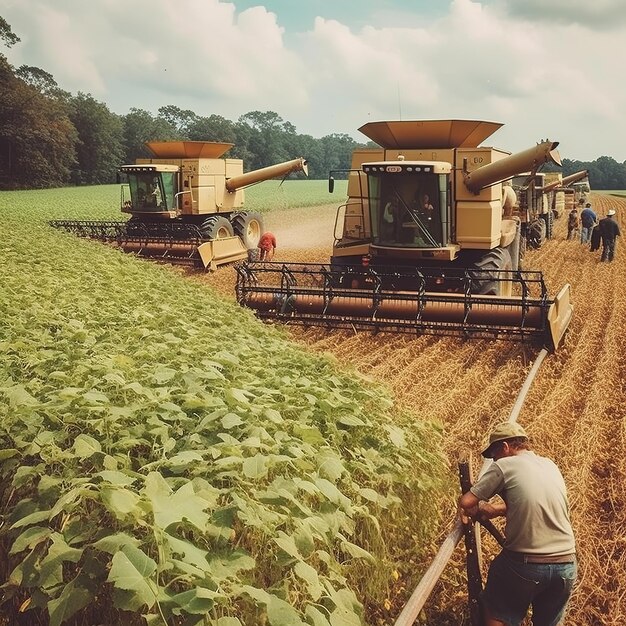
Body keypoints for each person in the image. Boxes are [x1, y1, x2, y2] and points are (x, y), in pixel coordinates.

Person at [458, 422, 576, 626]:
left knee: (496, 608)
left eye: (494, 454)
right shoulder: (549, 465)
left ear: (505, 447)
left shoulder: (505, 465)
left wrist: (477, 508)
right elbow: (537, 502)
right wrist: (496, 509)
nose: (494, 459)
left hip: (526, 563)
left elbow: (467, 502)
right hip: (566, 564)